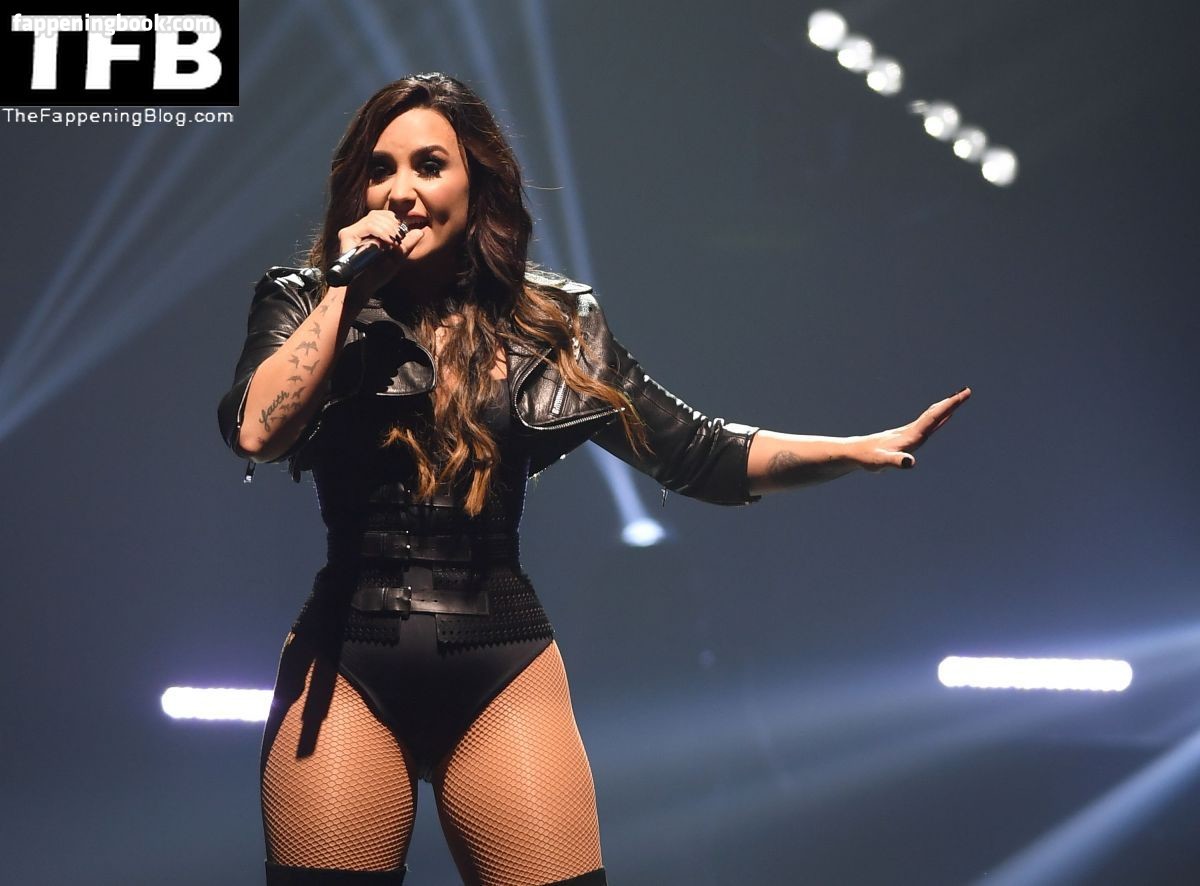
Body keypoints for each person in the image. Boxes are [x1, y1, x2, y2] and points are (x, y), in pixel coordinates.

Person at [217, 72, 970, 886]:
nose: (401, 191)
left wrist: (852, 450)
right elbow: (257, 429)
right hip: (345, 663)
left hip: (499, 662)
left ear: (476, 185)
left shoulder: (553, 322)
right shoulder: (304, 299)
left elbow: (698, 453)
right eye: (380, 169)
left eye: (429, 166)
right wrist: (344, 291)